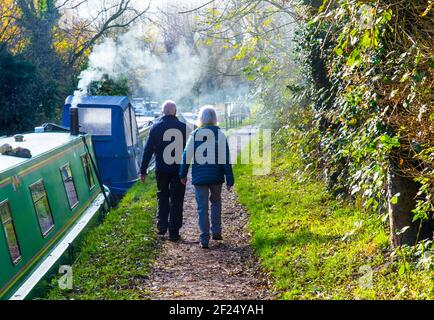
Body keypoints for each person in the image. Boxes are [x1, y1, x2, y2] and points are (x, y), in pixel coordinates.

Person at [179, 105, 234, 249]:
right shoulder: (220, 135)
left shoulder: (195, 134)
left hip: (200, 178)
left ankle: (204, 238)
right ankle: (216, 231)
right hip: (216, 176)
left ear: (201, 119)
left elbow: (186, 155)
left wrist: (182, 174)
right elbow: (225, 159)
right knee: (216, 202)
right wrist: (229, 178)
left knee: (202, 207)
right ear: (215, 119)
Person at [140, 100, 187, 241]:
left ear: (162, 112)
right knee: (177, 199)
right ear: (175, 112)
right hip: (178, 169)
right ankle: (174, 231)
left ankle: (161, 226)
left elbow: (147, 150)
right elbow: (188, 150)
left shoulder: (155, 127)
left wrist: (143, 170)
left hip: (161, 168)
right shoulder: (183, 127)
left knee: (163, 195)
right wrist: (187, 170)